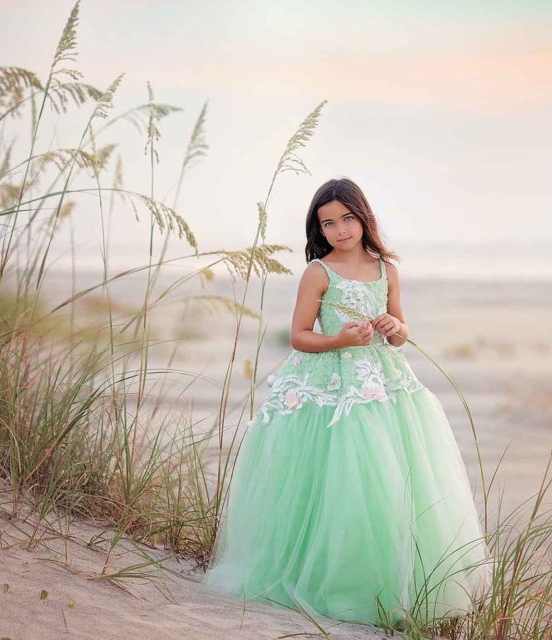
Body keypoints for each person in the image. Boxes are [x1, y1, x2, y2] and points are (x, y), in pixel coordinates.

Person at [203, 177, 493, 627]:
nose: (340, 229)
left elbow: (400, 334)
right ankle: (321, 581)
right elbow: (300, 335)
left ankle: (386, 585)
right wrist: (338, 338)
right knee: (327, 481)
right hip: (326, 385)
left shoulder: (386, 269)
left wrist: (394, 328)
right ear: (319, 229)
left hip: (381, 383)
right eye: (329, 223)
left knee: (383, 479)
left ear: (364, 217)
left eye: (348, 219)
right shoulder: (319, 272)